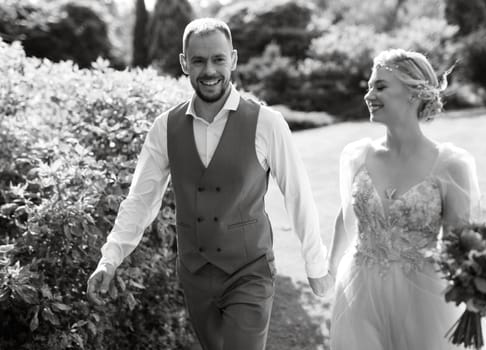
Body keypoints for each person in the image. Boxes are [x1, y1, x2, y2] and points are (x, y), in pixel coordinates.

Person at [86, 18, 332, 350]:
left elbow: (298, 195)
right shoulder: (165, 127)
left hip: (250, 271)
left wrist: (315, 263)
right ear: (184, 63)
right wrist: (110, 258)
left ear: (232, 59)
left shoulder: (267, 123)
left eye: (217, 59)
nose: (209, 70)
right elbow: (140, 200)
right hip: (195, 275)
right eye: (198, 60)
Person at [327, 48, 486, 349]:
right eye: (369, 86)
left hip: (423, 294)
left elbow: (457, 243)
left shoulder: (450, 165)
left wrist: (473, 289)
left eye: (380, 86)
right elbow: (345, 214)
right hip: (358, 288)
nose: (369, 95)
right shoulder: (357, 156)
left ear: (413, 93)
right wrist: (329, 269)